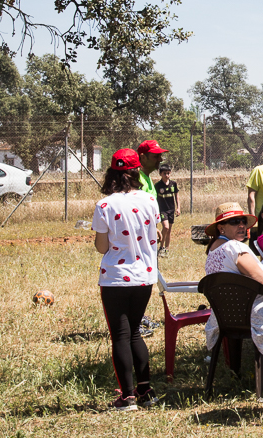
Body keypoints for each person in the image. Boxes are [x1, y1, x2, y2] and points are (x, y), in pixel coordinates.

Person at [91, 148, 160, 411]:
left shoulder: (104, 205)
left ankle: (127, 396)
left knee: (120, 335)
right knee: (134, 333)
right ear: (136, 173)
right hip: (145, 276)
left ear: (112, 173)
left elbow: (101, 247)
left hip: (115, 278)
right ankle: (146, 391)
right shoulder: (148, 200)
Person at [202, 202, 263, 384]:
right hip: (250, 315)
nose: (241, 225)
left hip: (226, 318)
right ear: (221, 227)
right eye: (234, 222)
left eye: (242, 221)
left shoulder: (212, 252)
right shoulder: (235, 248)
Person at [154, 164, 180, 256]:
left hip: (171, 210)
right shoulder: (157, 185)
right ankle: (161, 247)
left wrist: (178, 208)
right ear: (160, 174)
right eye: (164, 173)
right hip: (162, 210)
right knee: (165, 227)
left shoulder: (173, 184)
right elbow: (154, 198)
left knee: (169, 230)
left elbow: (176, 196)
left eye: (168, 173)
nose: (167, 175)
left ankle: (166, 249)